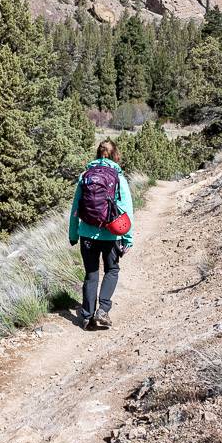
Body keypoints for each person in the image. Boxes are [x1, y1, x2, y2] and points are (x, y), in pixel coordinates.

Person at [68, 140, 134, 330]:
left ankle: (87, 317)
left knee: (91, 273)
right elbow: (126, 210)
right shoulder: (118, 177)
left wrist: (74, 234)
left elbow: (75, 208)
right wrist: (128, 238)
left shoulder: (85, 176)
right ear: (115, 155)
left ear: (98, 154)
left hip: (87, 233)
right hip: (111, 234)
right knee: (111, 270)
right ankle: (102, 310)